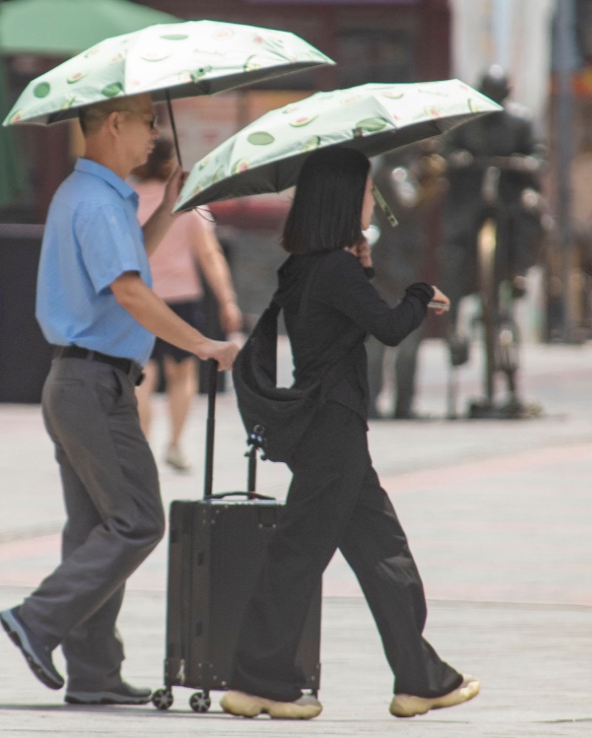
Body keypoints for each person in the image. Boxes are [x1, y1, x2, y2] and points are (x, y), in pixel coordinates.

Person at [221, 147, 479, 720]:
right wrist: (417, 295)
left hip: (331, 428)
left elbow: (339, 323)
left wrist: (362, 271)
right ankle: (260, 679)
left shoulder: (310, 265)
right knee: (299, 554)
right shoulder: (331, 268)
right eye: (365, 190)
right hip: (333, 428)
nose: (372, 198)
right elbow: (387, 327)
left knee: (384, 552)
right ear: (342, 198)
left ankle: (419, 678)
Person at [0, 94, 239, 705]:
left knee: (93, 532)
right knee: (137, 521)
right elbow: (129, 293)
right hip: (94, 385)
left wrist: (168, 209)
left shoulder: (93, 198)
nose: (155, 134)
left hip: (78, 382)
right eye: (147, 121)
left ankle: (94, 674)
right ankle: (37, 618)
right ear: (113, 124)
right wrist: (204, 344)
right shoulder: (100, 203)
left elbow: (127, 265)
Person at [130, 138, 243, 471]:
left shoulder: (127, 200)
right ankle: (176, 445)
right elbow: (209, 255)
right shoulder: (187, 204)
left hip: (141, 299)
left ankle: (141, 446)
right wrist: (227, 300)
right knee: (182, 375)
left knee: (142, 375)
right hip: (182, 300)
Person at [439, 65, 543, 373]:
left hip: (510, 192)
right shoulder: (466, 119)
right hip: (471, 193)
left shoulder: (521, 119)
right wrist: (457, 159)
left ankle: (521, 267)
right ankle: (453, 315)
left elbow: (539, 154)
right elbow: (446, 150)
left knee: (531, 210)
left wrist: (525, 164)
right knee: (454, 245)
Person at [366, 146, 439, 420]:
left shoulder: (390, 171)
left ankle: (397, 401)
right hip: (394, 263)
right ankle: (383, 401)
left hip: (400, 260)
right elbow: (407, 206)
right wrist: (433, 185)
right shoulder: (394, 172)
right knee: (395, 336)